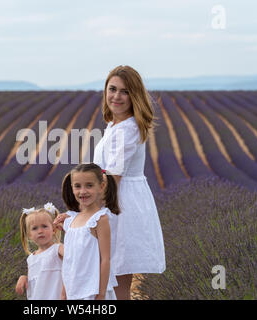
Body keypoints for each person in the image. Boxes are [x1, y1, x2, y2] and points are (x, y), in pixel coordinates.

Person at [94, 65, 166, 299]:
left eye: (124, 91)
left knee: (117, 281)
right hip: (115, 199)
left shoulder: (128, 128)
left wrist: (84, 210)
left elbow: (113, 175)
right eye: (112, 89)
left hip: (119, 204)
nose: (116, 96)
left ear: (134, 95)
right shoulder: (115, 125)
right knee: (111, 278)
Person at [57, 163, 120, 300]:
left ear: (101, 186)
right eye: (77, 186)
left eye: (89, 185)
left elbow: (105, 260)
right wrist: (64, 292)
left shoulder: (99, 219)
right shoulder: (71, 221)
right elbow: (69, 261)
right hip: (74, 289)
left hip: (93, 290)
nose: (83, 191)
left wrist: (101, 294)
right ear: (72, 187)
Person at [15, 202, 64, 300]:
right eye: (35, 228)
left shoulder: (58, 249)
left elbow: (75, 258)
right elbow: (36, 282)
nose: (40, 231)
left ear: (54, 229)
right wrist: (24, 278)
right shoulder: (31, 258)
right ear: (29, 235)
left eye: (44, 226)